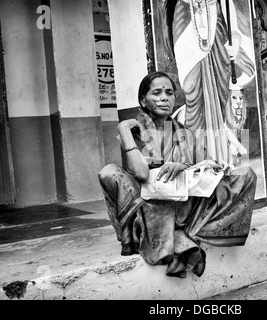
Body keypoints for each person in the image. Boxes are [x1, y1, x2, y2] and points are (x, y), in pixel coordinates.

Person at [98, 71, 257, 278]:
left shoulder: (184, 132)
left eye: (169, 93)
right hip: (149, 204)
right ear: (143, 100)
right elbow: (142, 174)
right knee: (109, 172)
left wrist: (183, 166)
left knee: (246, 177)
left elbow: (207, 166)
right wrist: (124, 130)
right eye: (156, 93)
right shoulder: (136, 130)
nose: (164, 97)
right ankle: (170, 236)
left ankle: (185, 231)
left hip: (184, 200)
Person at [164, 0, 255, 164]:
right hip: (192, 67)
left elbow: (233, 28)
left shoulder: (218, 3)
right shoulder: (182, 6)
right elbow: (179, 39)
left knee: (219, 105)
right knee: (194, 96)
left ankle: (221, 158)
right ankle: (197, 158)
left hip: (217, 66)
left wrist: (235, 43)